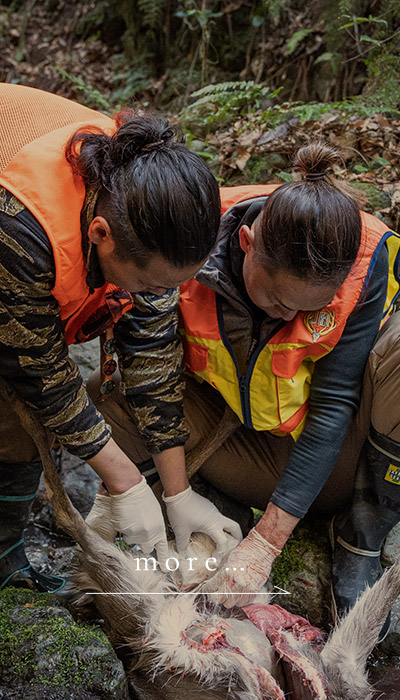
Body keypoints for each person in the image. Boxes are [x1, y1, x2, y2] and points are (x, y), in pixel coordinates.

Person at [87, 142, 400, 631]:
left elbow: (335, 403)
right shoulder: (191, 236)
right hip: (239, 438)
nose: (290, 318)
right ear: (248, 241)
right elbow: (154, 368)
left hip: (339, 459)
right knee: (108, 393)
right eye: (277, 300)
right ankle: (201, 510)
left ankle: (363, 533)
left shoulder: (365, 257)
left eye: (308, 308)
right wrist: (176, 495)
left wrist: (268, 542)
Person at [0, 82, 241, 594]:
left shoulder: (152, 207)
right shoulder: (21, 226)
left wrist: (177, 495)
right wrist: (125, 480)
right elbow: (37, 367)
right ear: (100, 235)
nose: (162, 295)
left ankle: (5, 555)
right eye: (153, 283)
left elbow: (152, 354)